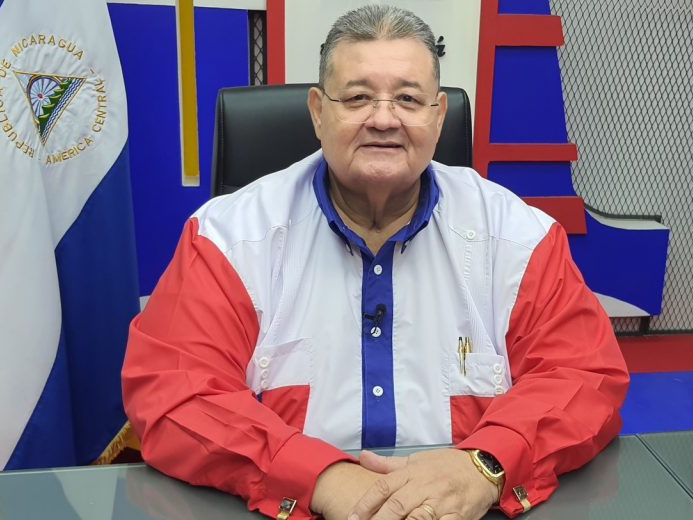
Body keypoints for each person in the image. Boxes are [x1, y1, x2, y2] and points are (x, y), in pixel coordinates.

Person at [121, 5, 629, 520]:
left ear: (438, 116)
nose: (384, 119)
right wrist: (321, 477)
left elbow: (582, 376)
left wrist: (484, 463)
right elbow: (174, 393)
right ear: (318, 112)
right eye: (358, 97)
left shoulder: (517, 237)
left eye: (408, 99)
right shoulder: (228, 238)